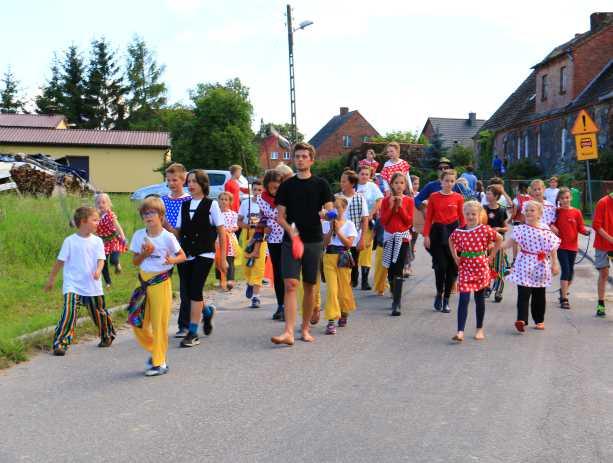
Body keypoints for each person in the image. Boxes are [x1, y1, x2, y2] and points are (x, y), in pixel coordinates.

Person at [271, 142, 334, 346]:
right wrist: (291, 231)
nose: (300, 159)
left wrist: (326, 214)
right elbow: (280, 217)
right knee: (290, 284)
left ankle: (305, 328)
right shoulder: (287, 186)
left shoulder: (321, 184)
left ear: (311, 160)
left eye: (304, 156)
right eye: (297, 156)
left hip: (314, 241)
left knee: (309, 286)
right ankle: (288, 332)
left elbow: (331, 211)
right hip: (291, 241)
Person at [44, 207, 116, 356]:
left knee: (99, 313)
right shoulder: (70, 241)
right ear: (83, 222)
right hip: (73, 285)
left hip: (92, 285)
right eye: (95, 220)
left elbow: (101, 259)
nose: (98, 222)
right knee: (69, 313)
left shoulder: (97, 241)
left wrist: (98, 270)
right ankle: (61, 343)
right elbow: (59, 262)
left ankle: (106, 335)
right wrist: (51, 279)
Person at [129, 196, 186, 376]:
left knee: (159, 324)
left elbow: (182, 256)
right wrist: (145, 254)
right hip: (144, 283)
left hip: (161, 283)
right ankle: (156, 351)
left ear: (161, 215)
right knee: (137, 322)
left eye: (152, 212)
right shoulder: (139, 235)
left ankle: (159, 362)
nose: (149, 216)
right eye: (145, 213)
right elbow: (135, 261)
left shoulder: (167, 237)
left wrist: (172, 259)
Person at [175, 170, 226, 348]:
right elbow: (178, 232)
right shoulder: (184, 205)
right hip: (186, 253)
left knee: (196, 289)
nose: (191, 184)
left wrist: (224, 258)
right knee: (189, 292)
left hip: (205, 253)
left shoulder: (211, 205)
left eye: (195, 181)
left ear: (203, 184)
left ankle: (193, 331)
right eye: (189, 181)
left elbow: (221, 231)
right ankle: (207, 311)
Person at [449, 201, 502, 342]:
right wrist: (455, 257)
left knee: (479, 299)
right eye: (467, 214)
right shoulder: (459, 231)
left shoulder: (484, 229)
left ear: (479, 215)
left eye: (473, 214)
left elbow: (499, 238)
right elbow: (451, 240)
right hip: (465, 267)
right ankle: (460, 331)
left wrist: (491, 256)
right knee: (464, 298)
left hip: (480, 267)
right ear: (463, 215)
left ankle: (479, 329)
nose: (470, 217)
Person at [505, 201, 560, 332]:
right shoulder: (520, 229)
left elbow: (552, 248)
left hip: (540, 265)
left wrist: (555, 263)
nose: (529, 212)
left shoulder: (545, 229)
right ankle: (521, 320)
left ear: (540, 214)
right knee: (523, 293)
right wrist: (494, 245)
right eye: (527, 210)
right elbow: (507, 244)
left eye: (532, 210)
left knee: (539, 295)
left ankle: (539, 320)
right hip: (524, 263)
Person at [423, 169, 465, 313]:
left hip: (454, 232)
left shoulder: (459, 197)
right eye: (446, 180)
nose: (449, 183)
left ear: (455, 182)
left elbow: (462, 218)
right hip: (438, 232)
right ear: (441, 181)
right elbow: (428, 218)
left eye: (452, 181)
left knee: (453, 268)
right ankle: (439, 294)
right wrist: (426, 235)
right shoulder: (434, 197)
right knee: (440, 267)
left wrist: (465, 235)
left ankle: (446, 299)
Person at [161, 162, 192, 338]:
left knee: (185, 287)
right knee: (161, 283)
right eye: (169, 180)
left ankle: (184, 324)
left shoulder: (188, 201)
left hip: (183, 248)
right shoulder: (163, 200)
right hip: (165, 249)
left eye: (175, 180)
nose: (172, 183)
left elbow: (184, 228)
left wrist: (169, 227)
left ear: (183, 180)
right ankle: (205, 311)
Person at [322, 197, 358, 334]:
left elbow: (349, 244)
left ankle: (344, 311)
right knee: (332, 290)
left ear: (344, 209)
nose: (335, 210)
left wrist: (338, 230)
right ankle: (331, 320)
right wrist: (331, 229)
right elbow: (324, 244)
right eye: (332, 208)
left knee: (343, 289)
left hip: (343, 257)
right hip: (329, 257)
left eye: (338, 207)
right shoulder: (325, 224)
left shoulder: (349, 224)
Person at [380, 172, 414, 316]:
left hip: (403, 238)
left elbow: (408, 221)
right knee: (391, 269)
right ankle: (394, 291)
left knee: (399, 268)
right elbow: (384, 221)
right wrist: (391, 206)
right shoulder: (385, 201)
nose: (399, 186)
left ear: (405, 185)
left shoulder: (409, 201)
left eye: (402, 183)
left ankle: (397, 303)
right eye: (396, 183)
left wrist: (399, 207)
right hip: (389, 237)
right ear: (391, 185)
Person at [554, 187, 590, 310]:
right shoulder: (556, 212)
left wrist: (585, 232)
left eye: (567, 198)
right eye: (563, 198)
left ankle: (563, 290)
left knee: (571, 273)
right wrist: (552, 227)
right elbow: (548, 222)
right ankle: (564, 299)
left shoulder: (576, 212)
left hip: (573, 246)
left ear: (571, 198)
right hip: (561, 246)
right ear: (559, 199)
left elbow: (580, 227)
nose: (565, 200)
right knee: (566, 270)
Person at [258, 170, 286, 320]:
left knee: (287, 272)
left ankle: (289, 305)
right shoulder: (261, 199)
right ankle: (281, 305)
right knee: (278, 273)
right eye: (272, 188)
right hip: (273, 239)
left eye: (278, 187)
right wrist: (264, 226)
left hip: (288, 237)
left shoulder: (287, 196)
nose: (275, 190)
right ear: (267, 186)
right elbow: (265, 216)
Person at [339, 170, 369, 288]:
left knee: (353, 264)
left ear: (352, 183)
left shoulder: (360, 198)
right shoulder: (337, 197)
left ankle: (351, 284)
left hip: (354, 238)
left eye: (344, 181)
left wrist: (362, 239)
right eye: (341, 181)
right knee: (341, 265)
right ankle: (344, 288)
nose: (341, 183)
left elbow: (365, 219)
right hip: (339, 238)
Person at [239, 180, 266, 308]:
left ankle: (256, 297)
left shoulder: (265, 204)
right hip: (248, 235)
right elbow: (239, 222)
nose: (257, 193)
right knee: (247, 265)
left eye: (260, 190)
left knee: (259, 266)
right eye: (255, 190)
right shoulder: (245, 203)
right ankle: (249, 283)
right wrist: (247, 225)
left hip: (261, 237)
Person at [356, 165, 383, 290]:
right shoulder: (353, 185)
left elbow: (379, 201)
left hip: (368, 222)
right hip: (354, 223)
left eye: (367, 174)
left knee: (366, 250)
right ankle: (353, 277)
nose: (365, 176)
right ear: (358, 174)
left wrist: (371, 214)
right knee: (353, 249)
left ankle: (365, 281)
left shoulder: (372, 186)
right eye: (362, 174)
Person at [94, 193, 127, 288]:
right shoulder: (95, 217)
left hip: (114, 240)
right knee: (102, 262)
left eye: (103, 202)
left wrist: (123, 237)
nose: (101, 205)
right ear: (95, 205)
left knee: (113, 260)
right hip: (102, 242)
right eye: (98, 203)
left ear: (109, 204)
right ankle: (108, 282)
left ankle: (117, 265)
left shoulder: (110, 215)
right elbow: (92, 228)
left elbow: (118, 227)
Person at [483, 185, 509, 302]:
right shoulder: (483, 209)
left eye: (490, 194)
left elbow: (506, 228)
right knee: (486, 265)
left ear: (496, 196)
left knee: (498, 266)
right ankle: (486, 287)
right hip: (485, 242)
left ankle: (498, 291)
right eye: (486, 193)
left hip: (498, 243)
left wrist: (499, 229)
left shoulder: (502, 210)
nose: (487, 196)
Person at [592, 192, 613, 317]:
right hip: (603, 244)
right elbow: (596, 225)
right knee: (604, 273)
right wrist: (610, 239)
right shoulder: (603, 202)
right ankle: (601, 304)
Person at [217, 192, 239, 291]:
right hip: (218, 239)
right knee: (218, 259)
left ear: (230, 202)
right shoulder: (216, 213)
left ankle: (230, 279)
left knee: (229, 259)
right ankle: (221, 279)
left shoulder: (233, 214)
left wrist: (230, 229)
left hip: (229, 240)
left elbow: (236, 226)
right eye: (221, 199)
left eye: (226, 200)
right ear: (218, 201)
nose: (223, 201)